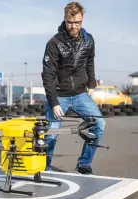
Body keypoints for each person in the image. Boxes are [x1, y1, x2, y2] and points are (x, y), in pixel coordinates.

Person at [41, 1, 105, 174]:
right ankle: (45, 168)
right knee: (51, 134)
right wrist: (54, 102)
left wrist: (91, 84)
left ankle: (84, 164)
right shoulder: (54, 43)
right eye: (70, 22)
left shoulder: (88, 39)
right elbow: (47, 75)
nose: (74, 26)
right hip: (59, 96)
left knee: (99, 124)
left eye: (77, 23)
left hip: (80, 94)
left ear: (82, 20)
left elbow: (90, 61)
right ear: (65, 19)